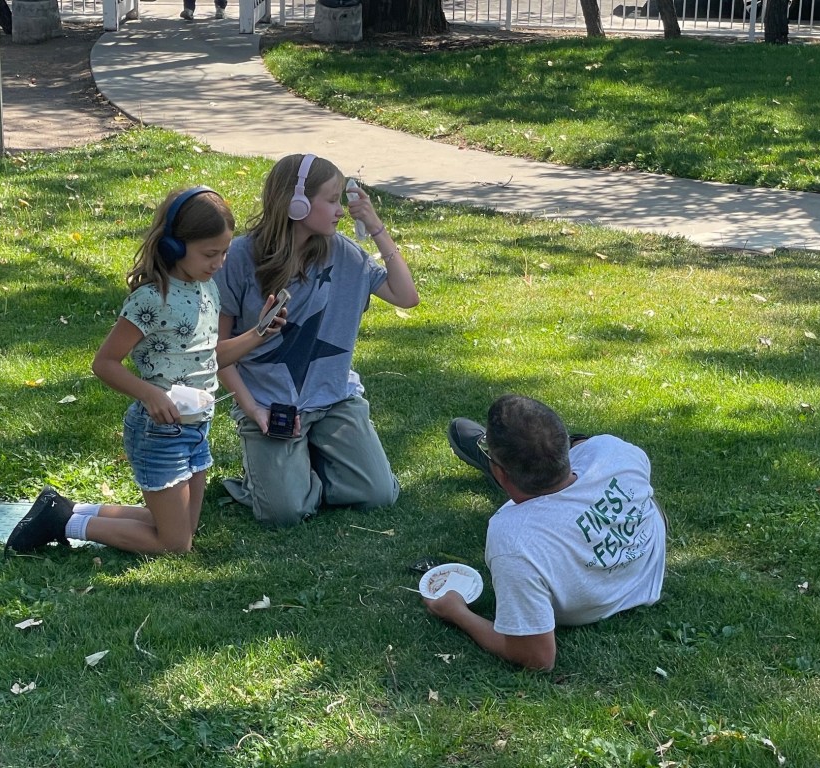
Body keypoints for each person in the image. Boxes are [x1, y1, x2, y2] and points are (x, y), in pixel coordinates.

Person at [5, 186, 286, 556]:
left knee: (183, 529)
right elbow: (104, 364)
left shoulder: (207, 288)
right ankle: (61, 522)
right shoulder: (152, 299)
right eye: (209, 253)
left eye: (224, 252)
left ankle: (66, 509)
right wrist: (150, 393)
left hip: (196, 427)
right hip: (160, 433)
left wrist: (259, 333)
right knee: (175, 545)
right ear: (173, 246)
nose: (219, 262)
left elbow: (208, 356)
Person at [214, 153, 420, 527]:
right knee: (284, 513)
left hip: (334, 398)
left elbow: (406, 296)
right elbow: (218, 353)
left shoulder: (345, 253)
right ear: (296, 203)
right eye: (331, 199)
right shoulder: (240, 258)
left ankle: (303, 461)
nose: (341, 210)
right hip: (269, 404)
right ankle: (278, 472)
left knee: (379, 494)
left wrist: (376, 226)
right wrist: (253, 410)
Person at [426, 395, 667, 671]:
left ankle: (514, 466)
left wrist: (456, 612)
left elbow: (538, 657)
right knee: (587, 450)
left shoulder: (513, 538)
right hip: (646, 564)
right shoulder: (613, 449)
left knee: (523, 504)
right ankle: (531, 464)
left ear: (499, 473)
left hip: (596, 602)